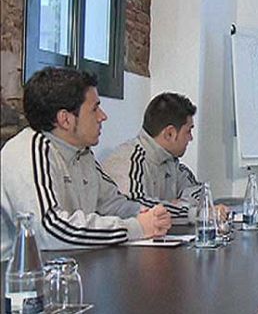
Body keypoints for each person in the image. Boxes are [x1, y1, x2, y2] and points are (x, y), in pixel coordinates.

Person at [1, 67, 171, 259]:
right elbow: (49, 230)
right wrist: (137, 227)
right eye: (94, 109)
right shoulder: (29, 150)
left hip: (65, 268)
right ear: (65, 119)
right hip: (16, 278)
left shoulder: (82, 153)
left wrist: (150, 214)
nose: (102, 116)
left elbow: (113, 203)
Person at [102, 92, 226, 222]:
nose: (191, 138)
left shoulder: (170, 160)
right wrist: (192, 213)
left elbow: (199, 192)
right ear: (170, 133)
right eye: (188, 131)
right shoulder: (130, 160)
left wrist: (180, 204)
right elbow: (136, 207)